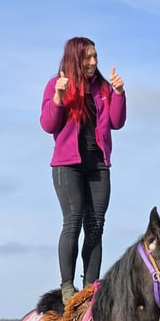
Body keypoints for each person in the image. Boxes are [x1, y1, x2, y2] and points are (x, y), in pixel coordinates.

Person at [40, 37, 126, 303]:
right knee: (73, 220)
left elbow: (117, 122)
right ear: (75, 59)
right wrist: (58, 97)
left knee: (96, 225)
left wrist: (119, 93)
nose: (93, 62)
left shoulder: (103, 87)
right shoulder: (56, 84)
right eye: (87, 57)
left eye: (95, 57)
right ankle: (67, 287)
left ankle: (90, 289)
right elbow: (48, 125)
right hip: (68, 165)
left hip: (98, 163)